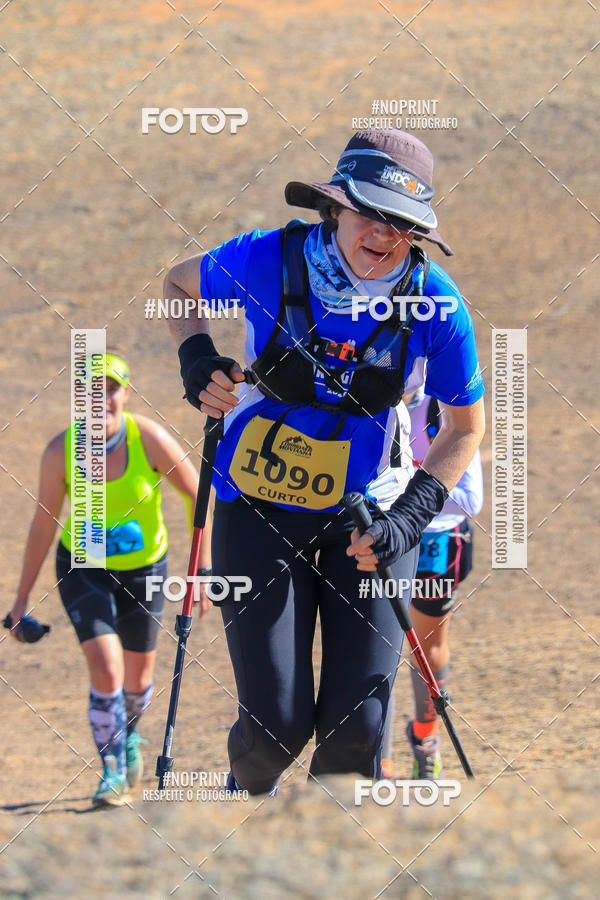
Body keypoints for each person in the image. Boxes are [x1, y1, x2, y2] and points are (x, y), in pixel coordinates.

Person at [164, 128, 485, 795]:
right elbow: (176, 285)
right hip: (259, 503)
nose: (384, 235)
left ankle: (329, 870)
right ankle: (237, 822)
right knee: (275, 727)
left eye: (402, 224)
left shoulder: (437, 302)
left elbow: (464, 429)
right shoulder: (263, 260)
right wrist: (196, 357)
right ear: (334, 207)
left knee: (357, 730)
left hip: (371, 515)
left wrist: (409, 519)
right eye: (370, 213)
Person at [8, 351, 210, 807]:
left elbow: (198, 497)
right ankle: (113, 769)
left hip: (145, 571)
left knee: (138, 682)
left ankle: (130, 736)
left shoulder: (149, 439)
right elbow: (44, 524)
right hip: (85, 569)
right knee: (107, 667)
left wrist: (200, 568)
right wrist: (20, 601)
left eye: (111, 387)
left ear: (127, 394)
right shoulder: (60, 450)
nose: (101, 398)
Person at [379, 387, 484, 779]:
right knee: (378, 647)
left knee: (427, 647)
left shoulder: (447, 401)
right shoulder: (364, 394)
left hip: (436, 542)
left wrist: (405, 490)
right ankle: (377, 759)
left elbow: (471, 499)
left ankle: (425, 738)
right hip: (380, 535)